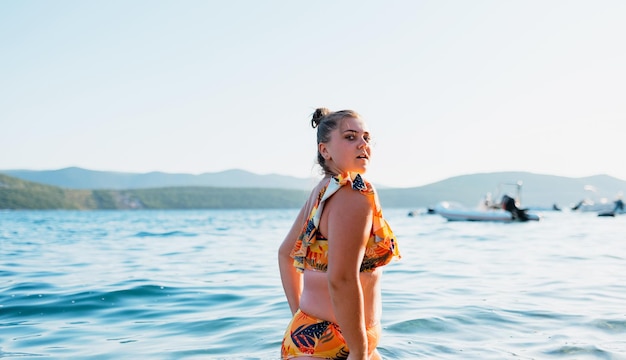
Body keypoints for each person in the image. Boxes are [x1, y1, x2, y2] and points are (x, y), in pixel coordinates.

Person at [278, 108, 400, 359]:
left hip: (316, 339)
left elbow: (285, 255)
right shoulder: (354, 195)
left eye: (366, 137)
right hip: (339, 346)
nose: (363, 144)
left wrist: (300, 318)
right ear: (325, 150)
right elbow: (341, 278)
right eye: (350, 137)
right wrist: (358, 350)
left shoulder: (323, 191)